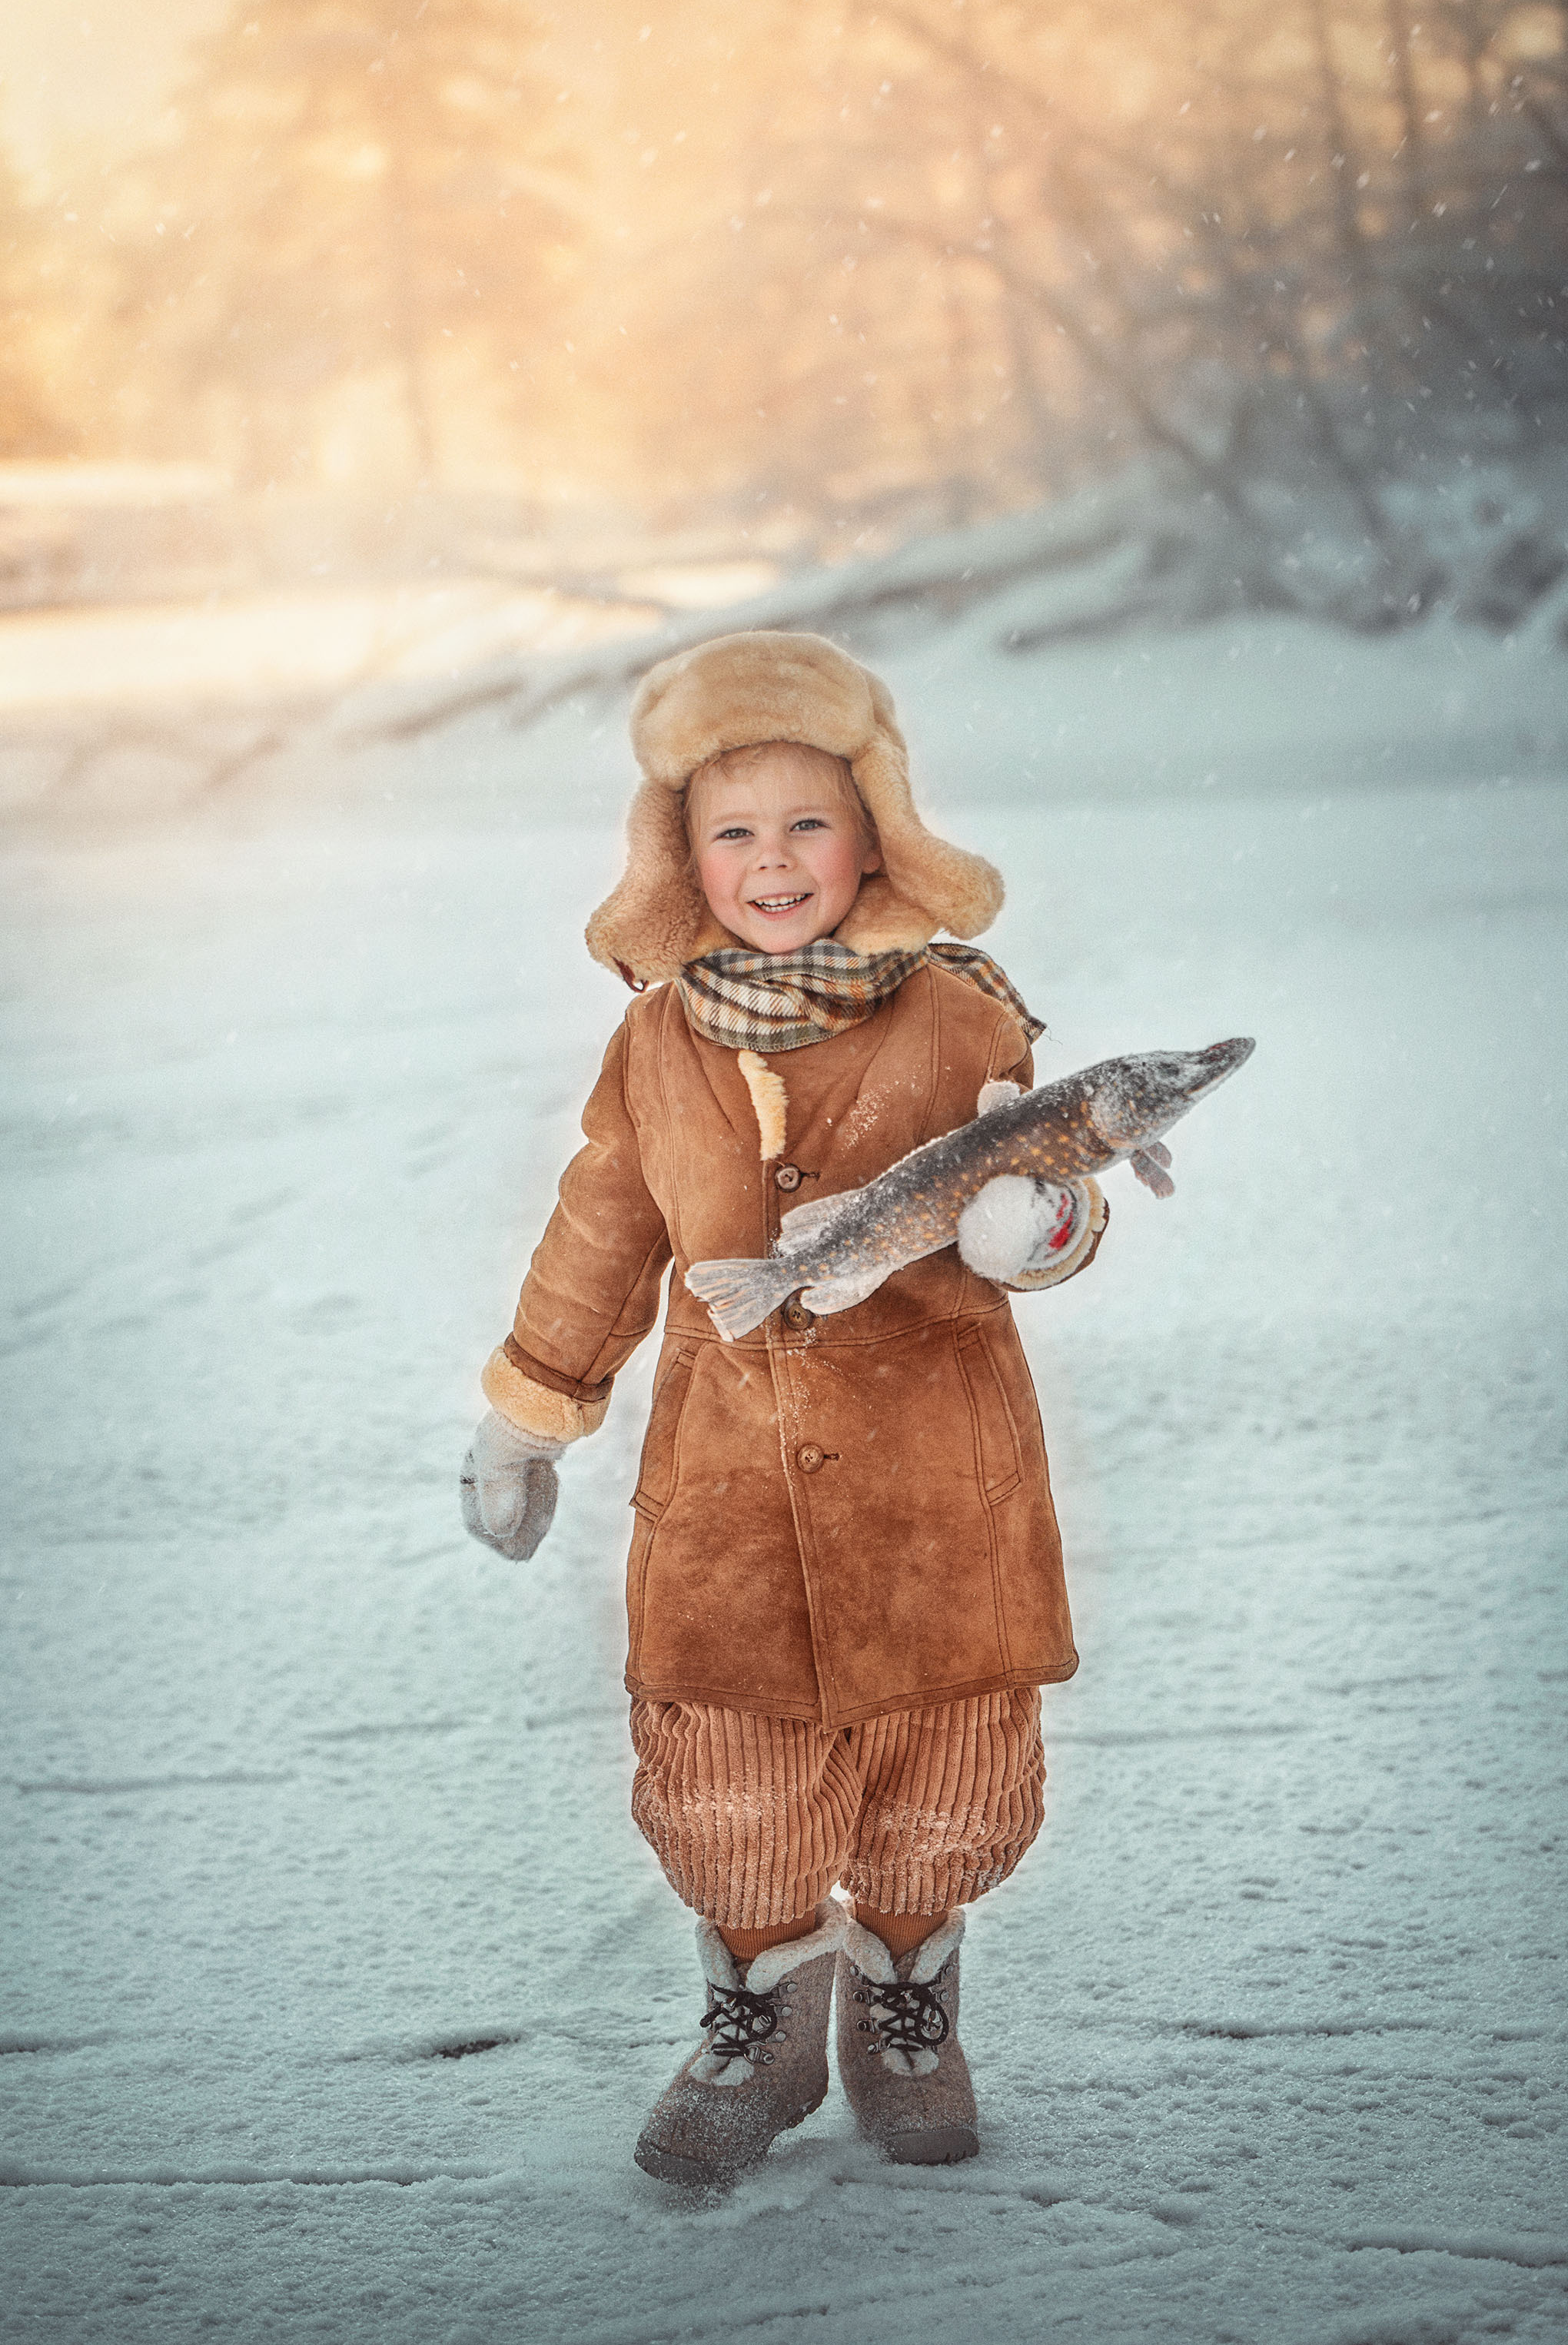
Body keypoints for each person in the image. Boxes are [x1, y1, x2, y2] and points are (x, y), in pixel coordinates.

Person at [460, 630, 1108, 2186]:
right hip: (730, 1489)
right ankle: (760, 2011)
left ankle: (906, 1996)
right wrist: (535, 1405)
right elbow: (608, 1226)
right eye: (732, 828)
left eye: (809, 822)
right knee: (729, 1784)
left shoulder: (960, 1013)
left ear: (878, 827)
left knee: (947, 1777)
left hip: (939, 1480)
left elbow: (1054, 1179)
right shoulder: (659, 1032)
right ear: (678, 853)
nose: (773, 859)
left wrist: (1042, 1228)